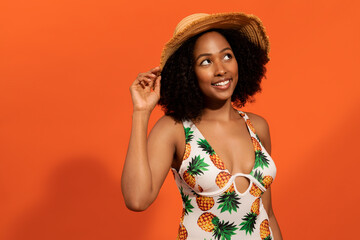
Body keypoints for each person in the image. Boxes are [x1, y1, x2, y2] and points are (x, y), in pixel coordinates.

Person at [121, 12, 282, 240]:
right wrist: (140, 113)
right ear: (188, 73)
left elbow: (268, 214)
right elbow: (137, 200)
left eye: (227, 56)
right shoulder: (175, 129)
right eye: (205, 61)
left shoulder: (257, 126)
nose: (220, 69)